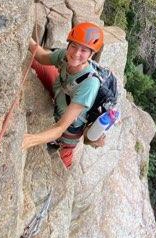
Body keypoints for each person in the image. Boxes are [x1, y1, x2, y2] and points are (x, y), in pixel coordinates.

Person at [22, 22, 106, 168]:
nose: (76, 53)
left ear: (91, 54)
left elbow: (60, 128)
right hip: (59, 94)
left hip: (67, 131)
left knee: (62, 165)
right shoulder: (64, 57)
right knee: (32, 62)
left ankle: (66, 156)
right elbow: (41, 57)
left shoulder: (89, 84)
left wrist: (29, 140)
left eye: (84, 51)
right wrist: (23, 34)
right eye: (74, 46)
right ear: (68, 44)